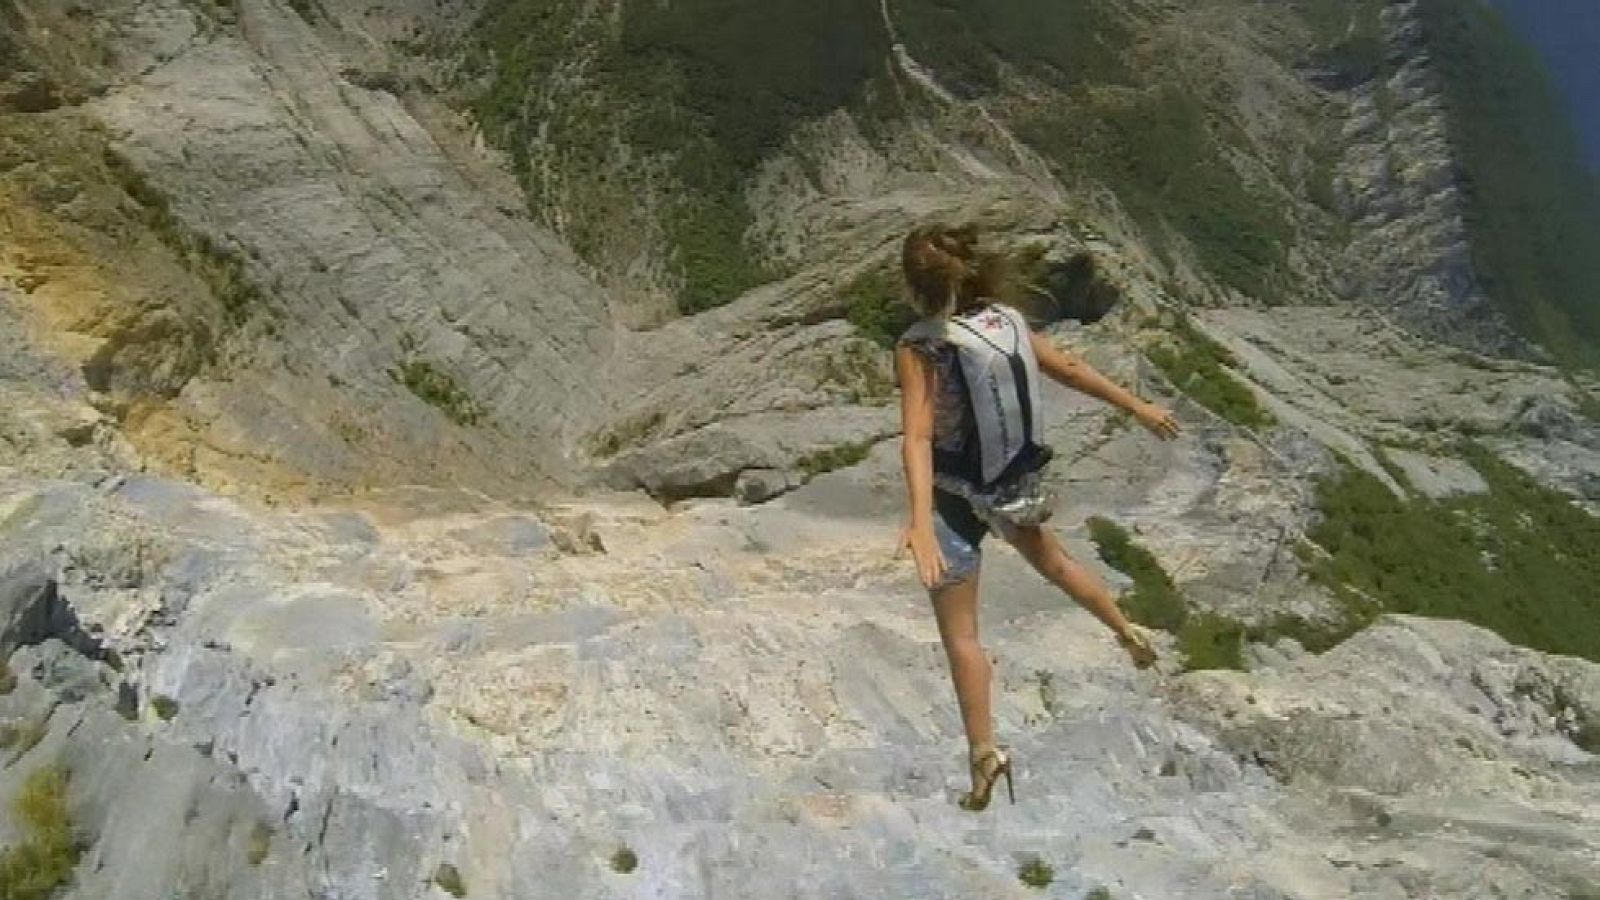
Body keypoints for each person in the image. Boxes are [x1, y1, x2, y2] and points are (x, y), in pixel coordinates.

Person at [894, 225, 1180, 812]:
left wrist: (921, 520)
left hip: (953, 492)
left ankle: (984, 755)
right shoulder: (1006, 321)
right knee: (1053, 559)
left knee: (963, 635)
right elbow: (1069, 368)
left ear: (914, 286)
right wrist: (1138, 406)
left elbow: (918, 436)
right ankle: (1125, 630)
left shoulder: (920, 345)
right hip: (1009, 485)